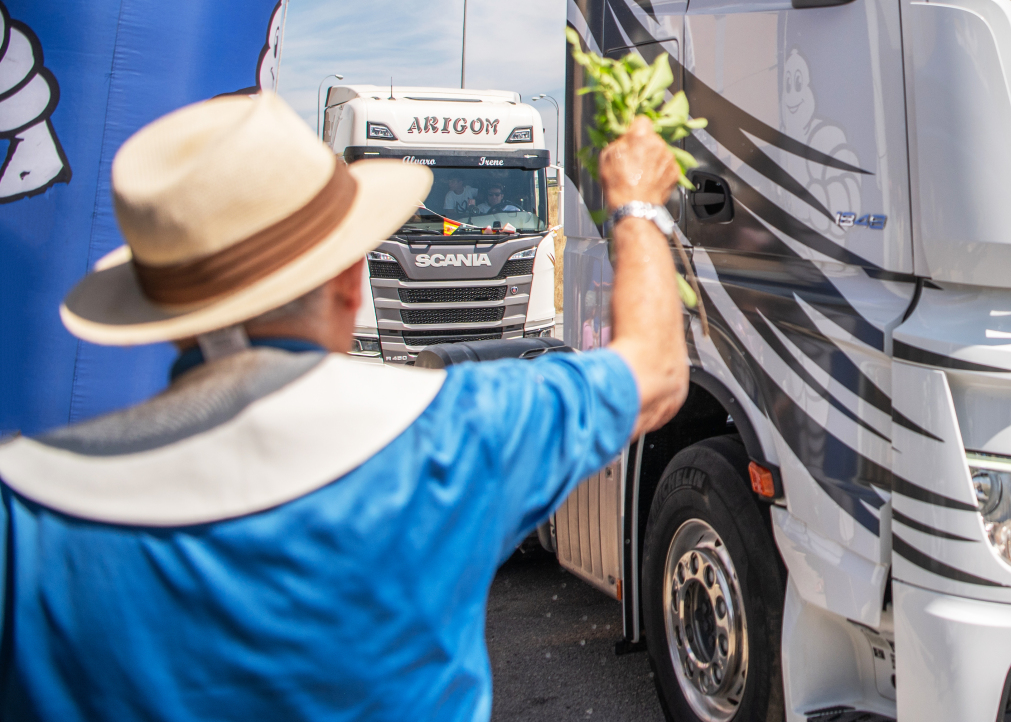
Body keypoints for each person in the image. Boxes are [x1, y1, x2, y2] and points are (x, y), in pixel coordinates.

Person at [0, 92, 687, 720]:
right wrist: (636, 206)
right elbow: (654, 372)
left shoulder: (25, 514)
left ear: (164, 315)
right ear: (350, 277)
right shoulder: (451, 434)